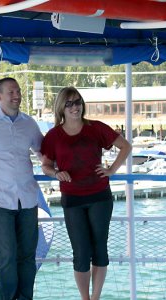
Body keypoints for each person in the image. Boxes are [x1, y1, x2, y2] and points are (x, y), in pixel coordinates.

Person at [40, 86, 131, 300]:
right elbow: (45, 165)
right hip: (72, 199)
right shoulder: (53, 136)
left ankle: (96, 298)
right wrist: (56, 173)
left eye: (78, 102)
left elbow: (125, 146)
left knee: (100, 250)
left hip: (100, 196)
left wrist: (111, 170)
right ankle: (85, 298)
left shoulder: (96, 128)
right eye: (69, 103)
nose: (75, 107)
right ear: (61, 107)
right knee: (81, 253)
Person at [0, 77, 44, 300]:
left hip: (28, 197)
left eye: (18, 91)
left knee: (27, 256)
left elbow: (43, 152)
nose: (16, 96)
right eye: (11, 92)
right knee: (6, 256)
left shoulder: (29, 123)